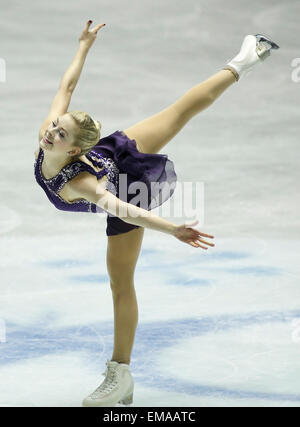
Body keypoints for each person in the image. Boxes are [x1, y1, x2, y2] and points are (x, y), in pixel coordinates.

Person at [34, 20, 279, 407]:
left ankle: (120, 374)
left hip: (128, 188)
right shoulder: (47, 137)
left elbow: (125, 209)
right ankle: (245, 59)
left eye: (60, 134)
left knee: (120, 284)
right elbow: (66, 87)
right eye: (55, 125)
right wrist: (83, 46)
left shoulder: (82, 184)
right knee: (179, 113)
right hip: (114, 151)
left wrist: (172, 229)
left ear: (75, 151)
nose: (51, 133)